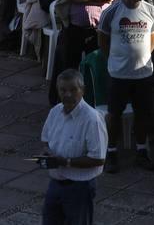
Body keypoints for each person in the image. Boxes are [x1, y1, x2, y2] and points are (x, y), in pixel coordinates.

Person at [98, 0, 154, 173]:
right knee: (114, 114)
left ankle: (141, 150)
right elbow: (103, 40)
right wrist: (117, 60)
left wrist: (139, 58)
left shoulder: (151, 11)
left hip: (143, 74)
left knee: (144, 113)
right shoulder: (112, 12)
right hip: (119, 74)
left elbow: (152, 41)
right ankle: (112, 151)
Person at [40, 68, 108, 225]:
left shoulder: (92, 119)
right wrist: (47, 153)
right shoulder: (55, 112)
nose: (68, 94)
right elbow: (45, 139)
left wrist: (66, 162)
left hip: (79, 187)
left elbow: (98, 159)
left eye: (73, 90)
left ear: (82, 90)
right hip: (55, 183)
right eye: (63, 90)